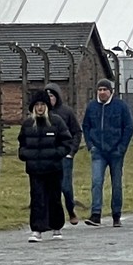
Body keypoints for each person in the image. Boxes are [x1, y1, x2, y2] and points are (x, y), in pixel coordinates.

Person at [17, 95, 71, 240]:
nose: (40, 108)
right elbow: (22, 144)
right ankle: (37, 229)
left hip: (53, 168)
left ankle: (56, 227)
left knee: (54, 198)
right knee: (37, 198)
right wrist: (26, 155)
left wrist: (56, 154)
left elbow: (66, 142)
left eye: (42, 104)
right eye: (37, 105)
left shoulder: (56, 122)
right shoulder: (28, 124)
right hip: (35, 169)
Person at [82, 78, 133, 225]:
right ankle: (96, 214)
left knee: (116, 184)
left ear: (111, 91)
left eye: (105, 89)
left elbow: (128, 127)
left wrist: (121, 148)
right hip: (98, 151)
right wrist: (90, 145)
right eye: (100, 90)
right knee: (96, 182)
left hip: (116, 151)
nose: (102, 92)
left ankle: (116, 215)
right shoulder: (92, 107)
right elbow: (86, 126)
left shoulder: (120, 106)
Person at [46, 86, 83, 225]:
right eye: (47, 96)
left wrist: (71, 151)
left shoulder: (66, 112)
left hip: (64, 155)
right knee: (50, 188)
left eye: (52, 96)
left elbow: (77, 132)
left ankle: (71, 209)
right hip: (48, 156)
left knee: (66, 187)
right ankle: (52, 217)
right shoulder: (41, 113)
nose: (50, 99)